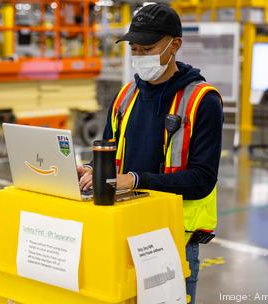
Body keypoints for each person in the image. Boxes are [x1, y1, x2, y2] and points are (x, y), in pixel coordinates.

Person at [77, 3, 223, 304]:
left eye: (148, 48)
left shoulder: (202, 101)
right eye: (135, 49)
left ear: (175, 45)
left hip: (173, 240)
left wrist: (135, 180)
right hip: (123, 230)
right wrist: (92, 168)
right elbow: (110, 149)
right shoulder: (125, 97)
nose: (140, 56)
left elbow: (202, 180)